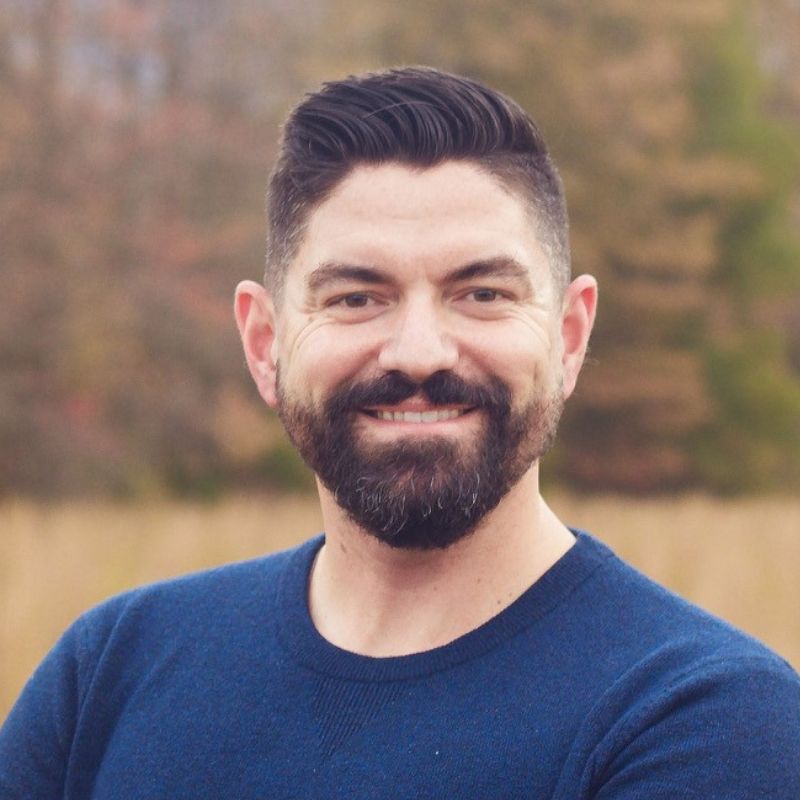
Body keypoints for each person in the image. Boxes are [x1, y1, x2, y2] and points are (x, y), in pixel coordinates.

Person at [1, 66, 799, 799]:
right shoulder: (110, 672)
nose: (419, 352)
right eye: (356, 298)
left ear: (569, 337)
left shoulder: (708, 719)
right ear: (265, 343)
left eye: (482, 294)